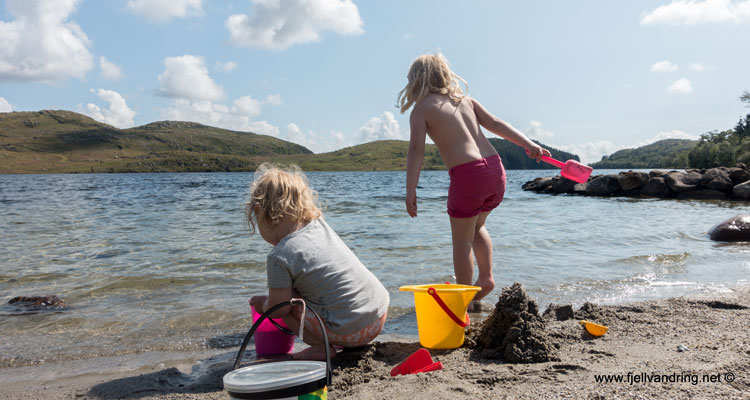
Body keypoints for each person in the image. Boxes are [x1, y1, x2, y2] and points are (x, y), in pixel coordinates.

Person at [397, 53, 550, 310]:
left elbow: (416, 151)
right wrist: (528, 143)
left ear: (415, 82)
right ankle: (486, 278)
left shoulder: (421, 110)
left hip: (468, 175)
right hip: (495, 169)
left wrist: (410, 189)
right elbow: (495, 123)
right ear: (445, 75)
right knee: (477, 227)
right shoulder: (466, 100)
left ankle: (462, 302)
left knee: (461, 241)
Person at [246, 163, 390, 360]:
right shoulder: (319, 225)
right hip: (378, 314)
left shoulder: (279, 256)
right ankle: (337, 335)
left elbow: (279, 308)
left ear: (258, 211)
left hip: (353, 330)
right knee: (297, 292)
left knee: (285, 305)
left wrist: (264, 304)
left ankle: (321, 347)